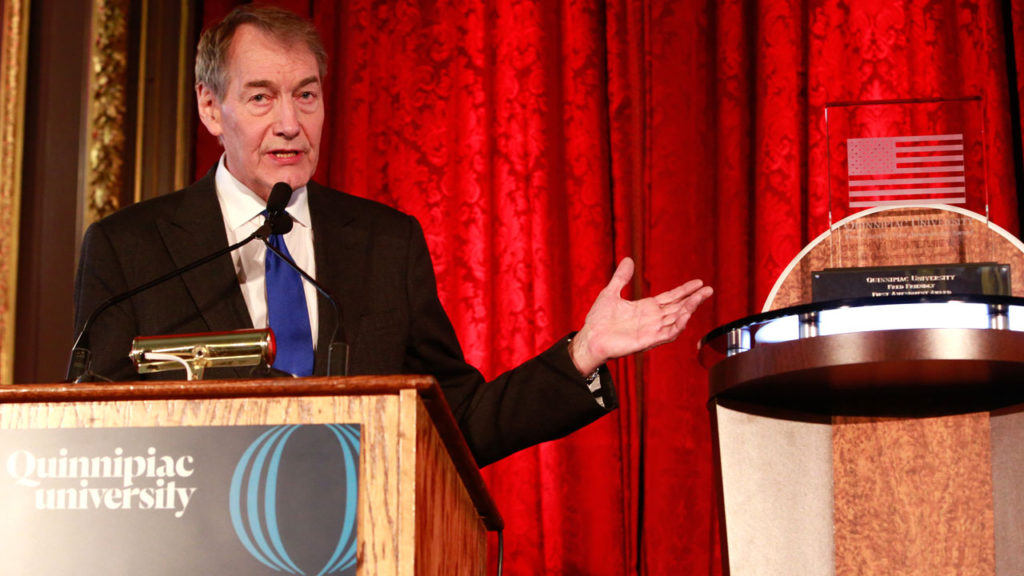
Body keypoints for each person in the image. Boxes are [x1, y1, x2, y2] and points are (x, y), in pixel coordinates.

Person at [72, 5, 713, 466]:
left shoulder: (384, 243)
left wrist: (582, 353)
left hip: (363, 546)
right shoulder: (131, 249)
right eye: (262, 97)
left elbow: (458, 425)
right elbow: (103, 436)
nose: (291, 123)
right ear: (213, 108)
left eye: (307, 95)